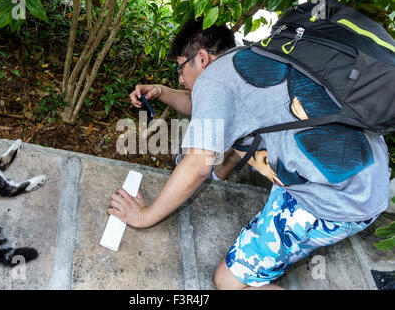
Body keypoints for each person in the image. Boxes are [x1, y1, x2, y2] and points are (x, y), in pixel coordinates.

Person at [108, 18, 390, 290]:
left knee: (228, 282)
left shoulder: (216, 83)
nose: (180, 79)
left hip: (337, 198)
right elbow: (213, 108)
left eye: (180, 69)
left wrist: (144, 216)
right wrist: (162, 92)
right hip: (364, 172)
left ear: (203, 59)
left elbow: (196, 166)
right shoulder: (250, 56)